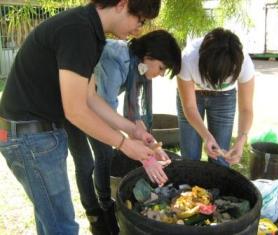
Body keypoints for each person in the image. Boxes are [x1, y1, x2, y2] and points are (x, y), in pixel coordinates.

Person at [0, 0, 163, 234]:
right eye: (140, 19)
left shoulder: (90, 32)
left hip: (37, 135)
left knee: (51, 222)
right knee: (63, 227)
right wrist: (124, 144)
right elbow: (75, 110)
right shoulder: (79, 30)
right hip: (30, 138)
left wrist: (134, 130)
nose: (139, 29)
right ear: (122, 4)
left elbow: (90, 98)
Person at [65, 29, 181, 235]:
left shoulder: (135, 66)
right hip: (71, 107)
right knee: (85, 163)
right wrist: (131, 145)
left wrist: (151, 146)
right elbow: (105, 108)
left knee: (104, 154)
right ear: (150, 56)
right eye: (162, 68)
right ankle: (95, 214)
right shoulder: (116, 60)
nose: (161, 74)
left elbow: (133, 114)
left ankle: (105, 203)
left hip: (94, 106)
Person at [176, 27, 255, 167]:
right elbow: (189, 107)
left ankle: (216, 189)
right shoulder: (188, 58)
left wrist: (241, 140)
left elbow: (246, 109)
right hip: (193, 94)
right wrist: (207, 137)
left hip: (224, 99)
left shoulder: (244, 63)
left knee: (221, 159)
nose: (216, 85)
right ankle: (188, 187)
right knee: (190, 157)